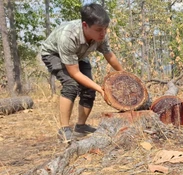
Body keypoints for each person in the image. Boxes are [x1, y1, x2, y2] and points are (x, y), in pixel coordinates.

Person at [41, 3, 123, 143]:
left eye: (105, 29)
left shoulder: (101, 34)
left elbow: (109, 54)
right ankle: (64, 130)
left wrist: (124, 74)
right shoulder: (69, 36)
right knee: (70, 85)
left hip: (78, 56)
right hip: (53, 54)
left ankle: (81, 126)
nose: (103, 33)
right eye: (98, 30)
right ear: (85, 25)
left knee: (88, 89)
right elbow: (74, 73)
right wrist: (100, 89)